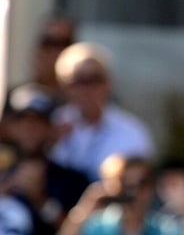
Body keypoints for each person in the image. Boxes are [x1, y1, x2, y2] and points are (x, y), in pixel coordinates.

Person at [0, 83, 91, 235]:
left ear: (51, 129)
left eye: (38, 122)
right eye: (22, 121)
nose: (30, 129)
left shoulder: (73, 181)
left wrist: (41, 200)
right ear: (10, 128)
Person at [46, 155, 184, 235]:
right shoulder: (96, 230)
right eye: (126, 184)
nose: (134, 192)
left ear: (152, 187)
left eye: (142, 183)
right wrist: (85, 208)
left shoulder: (167, 231)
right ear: (115, 187)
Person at [48, 43, 155, 181]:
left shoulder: (132, 133)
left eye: (95, 79)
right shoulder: (50, 126)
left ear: (109, 83)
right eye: (78, 81)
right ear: (64, 86)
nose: (87, 89)